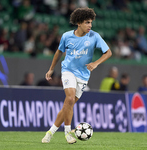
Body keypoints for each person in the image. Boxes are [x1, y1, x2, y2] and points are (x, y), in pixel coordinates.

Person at [41, 7, 112, 144]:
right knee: (70, 98)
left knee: (69, 104)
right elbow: (58, 52)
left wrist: (96, 63)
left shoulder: (94, 36)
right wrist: (51, 69)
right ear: (78, 23)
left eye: (91, 22)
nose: (90, 25)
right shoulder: (67, 36)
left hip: (83, 75)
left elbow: (108, 52)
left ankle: (50, 132)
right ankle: (68, 133)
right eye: (87, 22)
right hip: (68, 70)